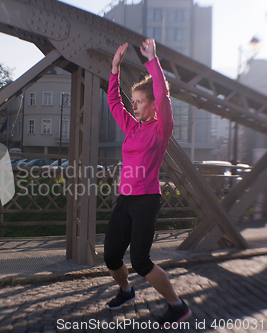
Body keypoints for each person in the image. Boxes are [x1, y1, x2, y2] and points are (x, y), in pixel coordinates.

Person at [104, 38, 192, 325]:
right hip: (125, 200)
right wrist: (115, 68)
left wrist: (152, 60)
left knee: (140, 261)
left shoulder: (161, 128)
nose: (135, 105)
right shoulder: (133, 127)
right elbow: (114, 101)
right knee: (111, 256)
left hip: (146, 201)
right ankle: (126, 291)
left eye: (140, 102)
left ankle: (177, 305)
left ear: (153, 105)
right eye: (135, 102)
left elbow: (164, 96)